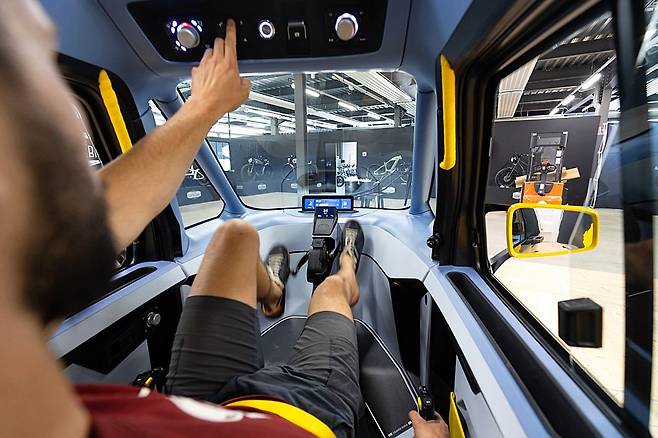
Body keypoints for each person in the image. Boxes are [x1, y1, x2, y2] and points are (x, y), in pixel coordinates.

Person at [0, 0, 449, 436]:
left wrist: (204, 106)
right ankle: (348, 265)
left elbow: (77, 222)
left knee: (235, 234)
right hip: (304, 415)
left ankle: (273, 292)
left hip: (196, 405)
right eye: (37, 65)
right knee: (329, 290)